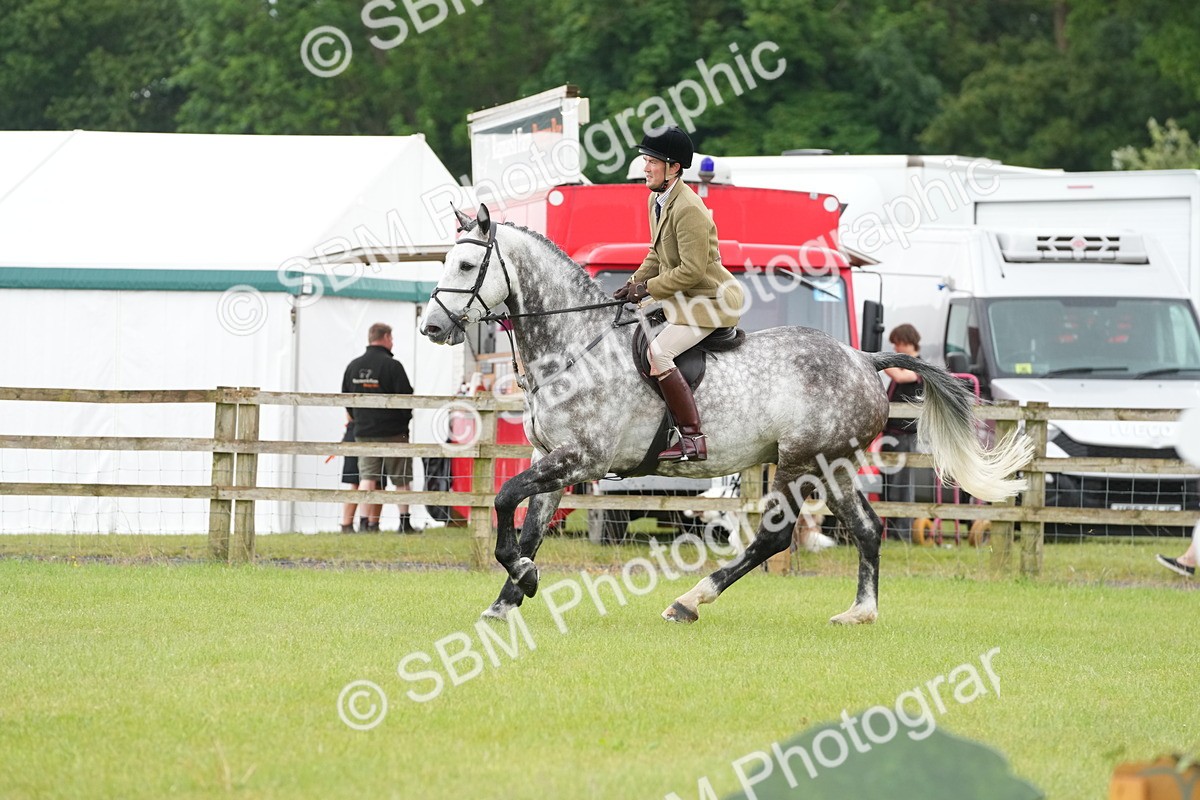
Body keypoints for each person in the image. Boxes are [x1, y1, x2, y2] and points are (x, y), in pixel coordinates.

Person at [612, 125, 745, 462]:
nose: (645, 168)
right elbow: (657, 254)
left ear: (673, 167)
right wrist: (633, 283)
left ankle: (692, 438)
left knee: (659, 354)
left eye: (651, 162)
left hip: (709, 301)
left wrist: (648, 288)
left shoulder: (689, 209)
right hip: (683, 299)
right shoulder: (656, 200)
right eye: (645, 160)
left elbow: (692, 271)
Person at [342, 323, 415, 533]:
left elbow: (346, 398)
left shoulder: (353, 366)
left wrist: (359, 420)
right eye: (391, 338)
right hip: (394, 433)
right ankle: (404, 523)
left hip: (364, 433)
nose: (392, 342)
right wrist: (403, 423)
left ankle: (365, 524)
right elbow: (406, 399)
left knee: (367, 478)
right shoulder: (393, 366)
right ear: (385, 337)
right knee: (401, 479)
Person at [881, 324, 924, 541]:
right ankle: (891, 529)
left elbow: (900, 378)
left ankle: (902, 532)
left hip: (905, 433)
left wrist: (880, 361)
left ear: (906, 341)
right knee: (890, 480)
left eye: (897, 343)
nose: (895, 347)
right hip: (893, 431)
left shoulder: (919, 366)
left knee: (902, 481)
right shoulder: (909, 363)